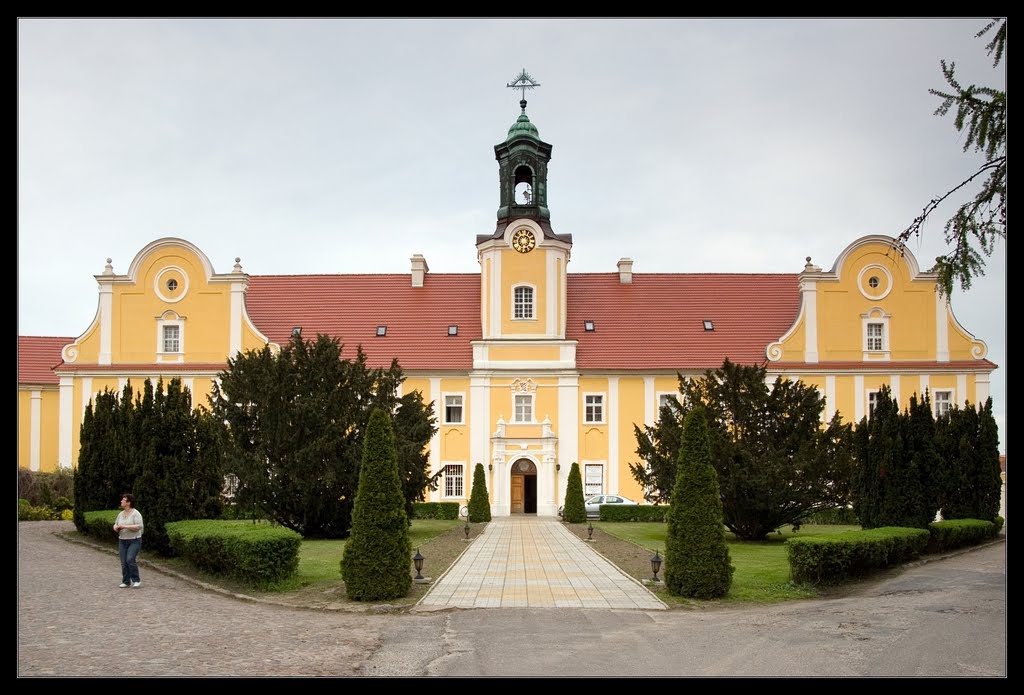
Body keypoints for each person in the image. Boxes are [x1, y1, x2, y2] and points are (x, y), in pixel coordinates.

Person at [113, 493, 144, 588]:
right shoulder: (120, 514)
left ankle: (136, 580)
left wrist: (125, 526)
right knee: (123, 561)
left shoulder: (136, 513)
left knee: (130, 559)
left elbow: (139, 526)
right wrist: (116, 527)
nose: (121, 501)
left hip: (134, 541)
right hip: (122, 540)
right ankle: (126, 581)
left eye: (124, 500)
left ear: (129, 502)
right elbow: (115, 524)